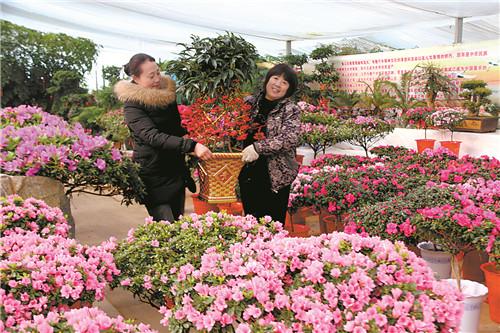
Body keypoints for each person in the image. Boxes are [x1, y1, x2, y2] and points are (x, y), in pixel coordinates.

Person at [115, 53, 212, 221]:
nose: (157, 78)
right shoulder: (132, 104)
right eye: (151, 76)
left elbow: (175, 129)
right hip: (154, 174)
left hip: (175, 171)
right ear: (135, 78)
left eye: (158, 73)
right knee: (166, 226)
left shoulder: (166, 94)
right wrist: (191, 145)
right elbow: (152, 136)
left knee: (178, 223)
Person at [238, 63, 301, 223]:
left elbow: (289, 138)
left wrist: (258, 148)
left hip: (276, 176)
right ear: (267, 79)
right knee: (250, 222)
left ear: (289, 89)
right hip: (248, 172)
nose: (278, 84)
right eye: (275, 78)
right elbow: (235, 129)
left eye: (284, 82)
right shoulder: (249, 103)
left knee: (273, 224)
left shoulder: (290, 109)